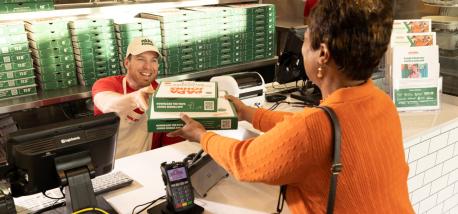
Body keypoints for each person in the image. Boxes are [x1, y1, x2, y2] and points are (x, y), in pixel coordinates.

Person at [168, 0, 414, 213]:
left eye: (306, 41)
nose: (302, 48)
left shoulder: (313, 128)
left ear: (323, 54)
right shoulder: (380, 101)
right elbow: (310, 129)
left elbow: (243, 162)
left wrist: (201, 135)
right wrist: (248, 113)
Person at [92, 37, 182, 159]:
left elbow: (171, 143)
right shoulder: (107, 84)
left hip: (146, 163)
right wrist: (135, 98)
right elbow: (107, 104)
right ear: (127, 63)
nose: (148, 67)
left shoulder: (163, 93)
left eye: (153, 60)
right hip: (110, 166)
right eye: (141, 59)